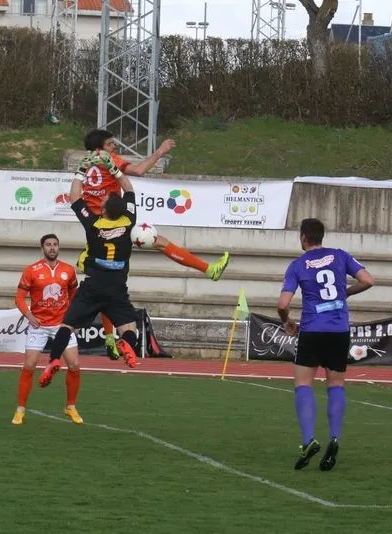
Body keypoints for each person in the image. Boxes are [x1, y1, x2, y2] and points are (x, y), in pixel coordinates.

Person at [74, 129, 231, 359]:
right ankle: (209, 270)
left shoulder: (86, 165)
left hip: (96, 229)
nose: (114, 147)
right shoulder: (110, 161)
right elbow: (138, 171)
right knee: (156, 242)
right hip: (116, 222)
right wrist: (159, 151)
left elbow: (76, 195)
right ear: (100, 149)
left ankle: (109, 339)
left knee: (104, 280)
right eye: (110, 144)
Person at [277, 218, 374, 472]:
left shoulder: (297, 265)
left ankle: (309, 440)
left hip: (312, 329)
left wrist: (287, 321)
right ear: (322, 236)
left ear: (303, 238)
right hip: (339, 330)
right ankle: (334, 437)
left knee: (302, 384)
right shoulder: (340, 256)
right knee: (336, 385)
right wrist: (346, 292)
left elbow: (283, 304)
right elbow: (368, 280)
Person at [39, 178, 142, 388]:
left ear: (103, 211)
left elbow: (75, 196)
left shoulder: (93, 224)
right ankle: (127, 345)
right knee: (130, 328)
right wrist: (114, 169)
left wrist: (80, 172)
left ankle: (54, 360)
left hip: (93, 285)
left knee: (67, 326)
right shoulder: (129, 220)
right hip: (117, 287)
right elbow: (129, 189)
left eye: (103, 201)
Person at [13, 233, 83, 425]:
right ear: (42, 248)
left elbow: (75, 295)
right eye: (48, 245)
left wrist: (73, 320)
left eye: (55, 245)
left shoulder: (68, 270)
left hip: (62, 324)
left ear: (58, 247)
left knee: (75, 365)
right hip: (39, 325)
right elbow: (19, 298)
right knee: (29, 366)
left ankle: (70, 407)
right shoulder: (31, 270)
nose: (52, 248)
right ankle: (20, 409)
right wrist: (29, 316)